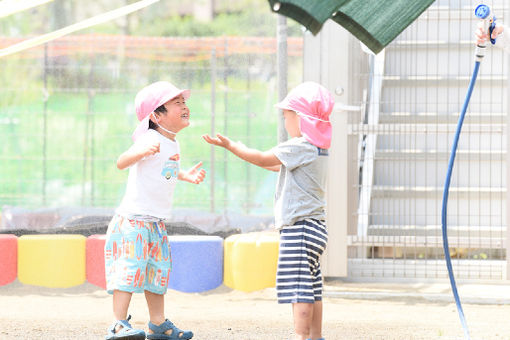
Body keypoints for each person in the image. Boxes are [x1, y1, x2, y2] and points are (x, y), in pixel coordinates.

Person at [203, 81, 333, 340]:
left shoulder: (301, 146)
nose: (285, 122)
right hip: (316, 229)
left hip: (299, 229)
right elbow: (275, 166)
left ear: (301, 118)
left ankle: (300, 335)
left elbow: (263, 158)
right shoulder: (319, 150)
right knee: (312, 289)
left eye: (287, 116)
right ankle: (316, 336)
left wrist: (232, 147)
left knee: (298, 290)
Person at [104, 81, 205, 340]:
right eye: (177, 103)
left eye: (184, 102)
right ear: (156, 116)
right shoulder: (150, 138)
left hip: (155, 223)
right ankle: (118, 324)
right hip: (134, 222)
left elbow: (163, 170)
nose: (185, 107)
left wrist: (185, 175)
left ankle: (157, 323)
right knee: (129, 271)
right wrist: (140, 152)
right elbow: (120, 162)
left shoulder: (172, 143)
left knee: (157, 272)